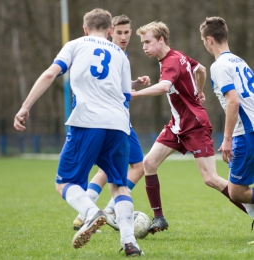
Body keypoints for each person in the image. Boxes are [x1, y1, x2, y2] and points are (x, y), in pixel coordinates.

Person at [14, 8, 143, 257]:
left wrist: (25, 106)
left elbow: (51, 73)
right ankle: (130, 243)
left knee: (65, 183)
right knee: (119, 185)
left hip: (86, 121)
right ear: (109, 31)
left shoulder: (75, 44)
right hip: (118, 124)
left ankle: (91, 212)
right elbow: (126, 95)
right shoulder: (121, 55)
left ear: (85, 29)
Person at [133, 21, 248, 234]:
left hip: (194, 124)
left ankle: (252, 213)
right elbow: (201, 69)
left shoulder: (170, 62)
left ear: (161, 40)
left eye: (147, 42)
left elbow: (164, 86)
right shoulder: (179, 56)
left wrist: (135, 94)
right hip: (177, 124)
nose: (144, 47)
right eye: (142, 43)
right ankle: (159, 218)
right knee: (149, 162)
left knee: (211, 179)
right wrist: (200, 91)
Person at [72, 14, 150, 232]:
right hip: (114, 120)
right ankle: (108, 210)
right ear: (110, 31)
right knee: (138, 166)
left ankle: (83, 215)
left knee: (108, 169)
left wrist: (134, 83)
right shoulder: (113, 53)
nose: (123, 37)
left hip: (112, 118)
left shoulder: (114, 54)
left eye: (126, 32)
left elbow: (114, 84)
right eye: (119, 32)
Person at [200, 17, 254, 225]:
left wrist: (227, 138)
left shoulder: (219, 65)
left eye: (204, 41)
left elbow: (233, 102)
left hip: (246, 132)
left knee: (237, 192)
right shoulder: (240, 61)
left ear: (210, 40)